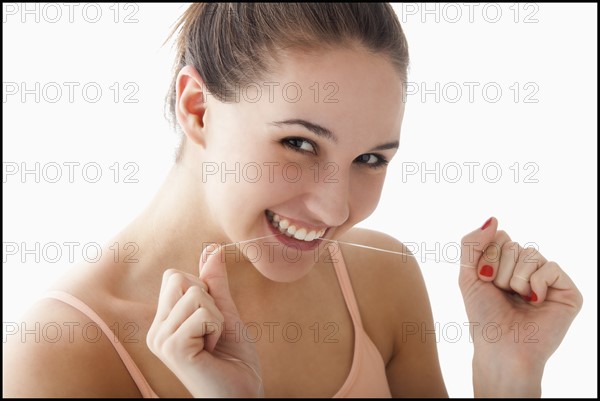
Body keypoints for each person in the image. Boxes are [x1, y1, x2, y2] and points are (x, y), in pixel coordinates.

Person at [3, 3, 583, 398]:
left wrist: (509, 375)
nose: (335, 211)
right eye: (299, 143)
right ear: (198, 109)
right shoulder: (60, 355)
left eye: (371, 159)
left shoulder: (382, 285)